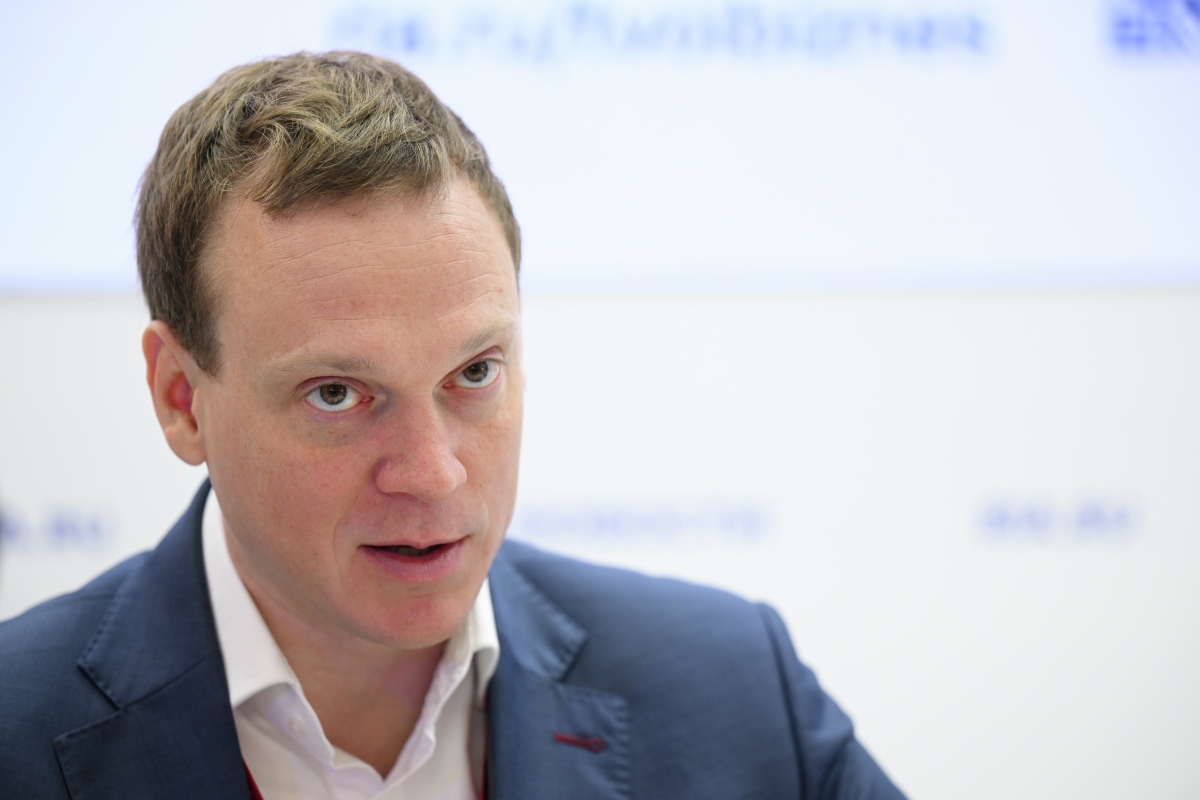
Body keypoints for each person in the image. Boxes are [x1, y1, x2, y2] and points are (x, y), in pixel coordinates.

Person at [0, 51, 905, 799]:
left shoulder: (737, 694)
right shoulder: (17, 731)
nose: (432, 473)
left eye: (473, 374)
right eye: (336, 394)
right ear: (180, 398)